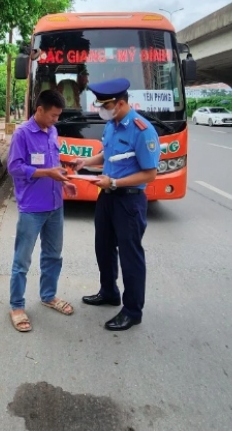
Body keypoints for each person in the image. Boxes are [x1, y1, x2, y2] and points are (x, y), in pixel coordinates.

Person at [70, 78, 159, 331]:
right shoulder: (111, 125)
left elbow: (150, 174)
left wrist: (114, 182)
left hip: (129, 200)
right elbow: (106, 155)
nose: (101, 109)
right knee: (104, 247)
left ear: (120, 103)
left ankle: (132, 310)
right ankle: (109, 292)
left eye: (105, 104)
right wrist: (85, 162)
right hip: (107, 197)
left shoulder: (142, 130)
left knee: (131, 256)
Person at [6, 89, 78, 332]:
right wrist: (47, 173)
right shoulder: (22, 134)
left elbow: (54, 164)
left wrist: (64, 182)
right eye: (53, 115)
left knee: (53, 256)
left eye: (58, 116)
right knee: (22, 260)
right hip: (32, 208)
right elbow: (15, 167)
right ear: (39, 110)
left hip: (55, 205)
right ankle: (16, 306)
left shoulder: (52, 131)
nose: (56, 120)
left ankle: (48, 295)